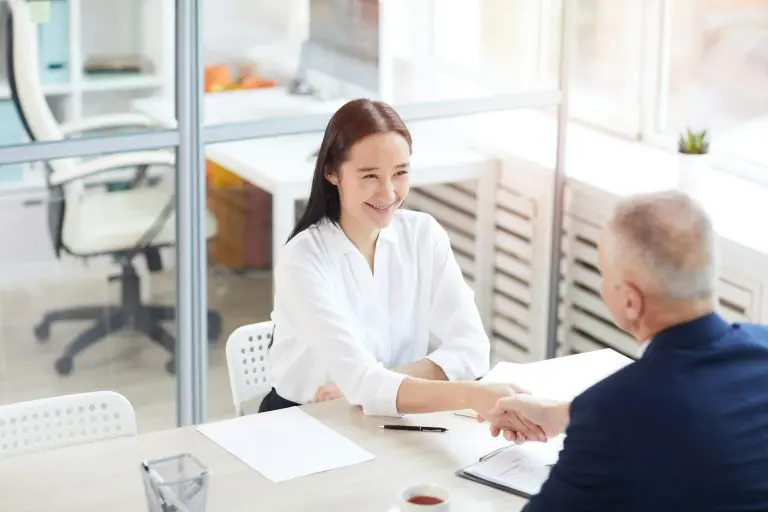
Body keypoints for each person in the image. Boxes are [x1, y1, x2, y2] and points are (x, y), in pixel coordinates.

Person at [258, 98, 544, 437]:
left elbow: (472, 348)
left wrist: (379, 384)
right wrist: (471, 393)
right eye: (369, 176)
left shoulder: (423, 235)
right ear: (332, 172)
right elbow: (365, 383)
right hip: (303, 423)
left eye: (400, 173)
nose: (389, 192)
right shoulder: (304, 258)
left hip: (394, 415)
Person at [483, 191, 768, 511]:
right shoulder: (763, 347)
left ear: (631, 302)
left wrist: (587, 417)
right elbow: (700, 413)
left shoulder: (611, 413)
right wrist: (561, 414)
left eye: (604, 273)